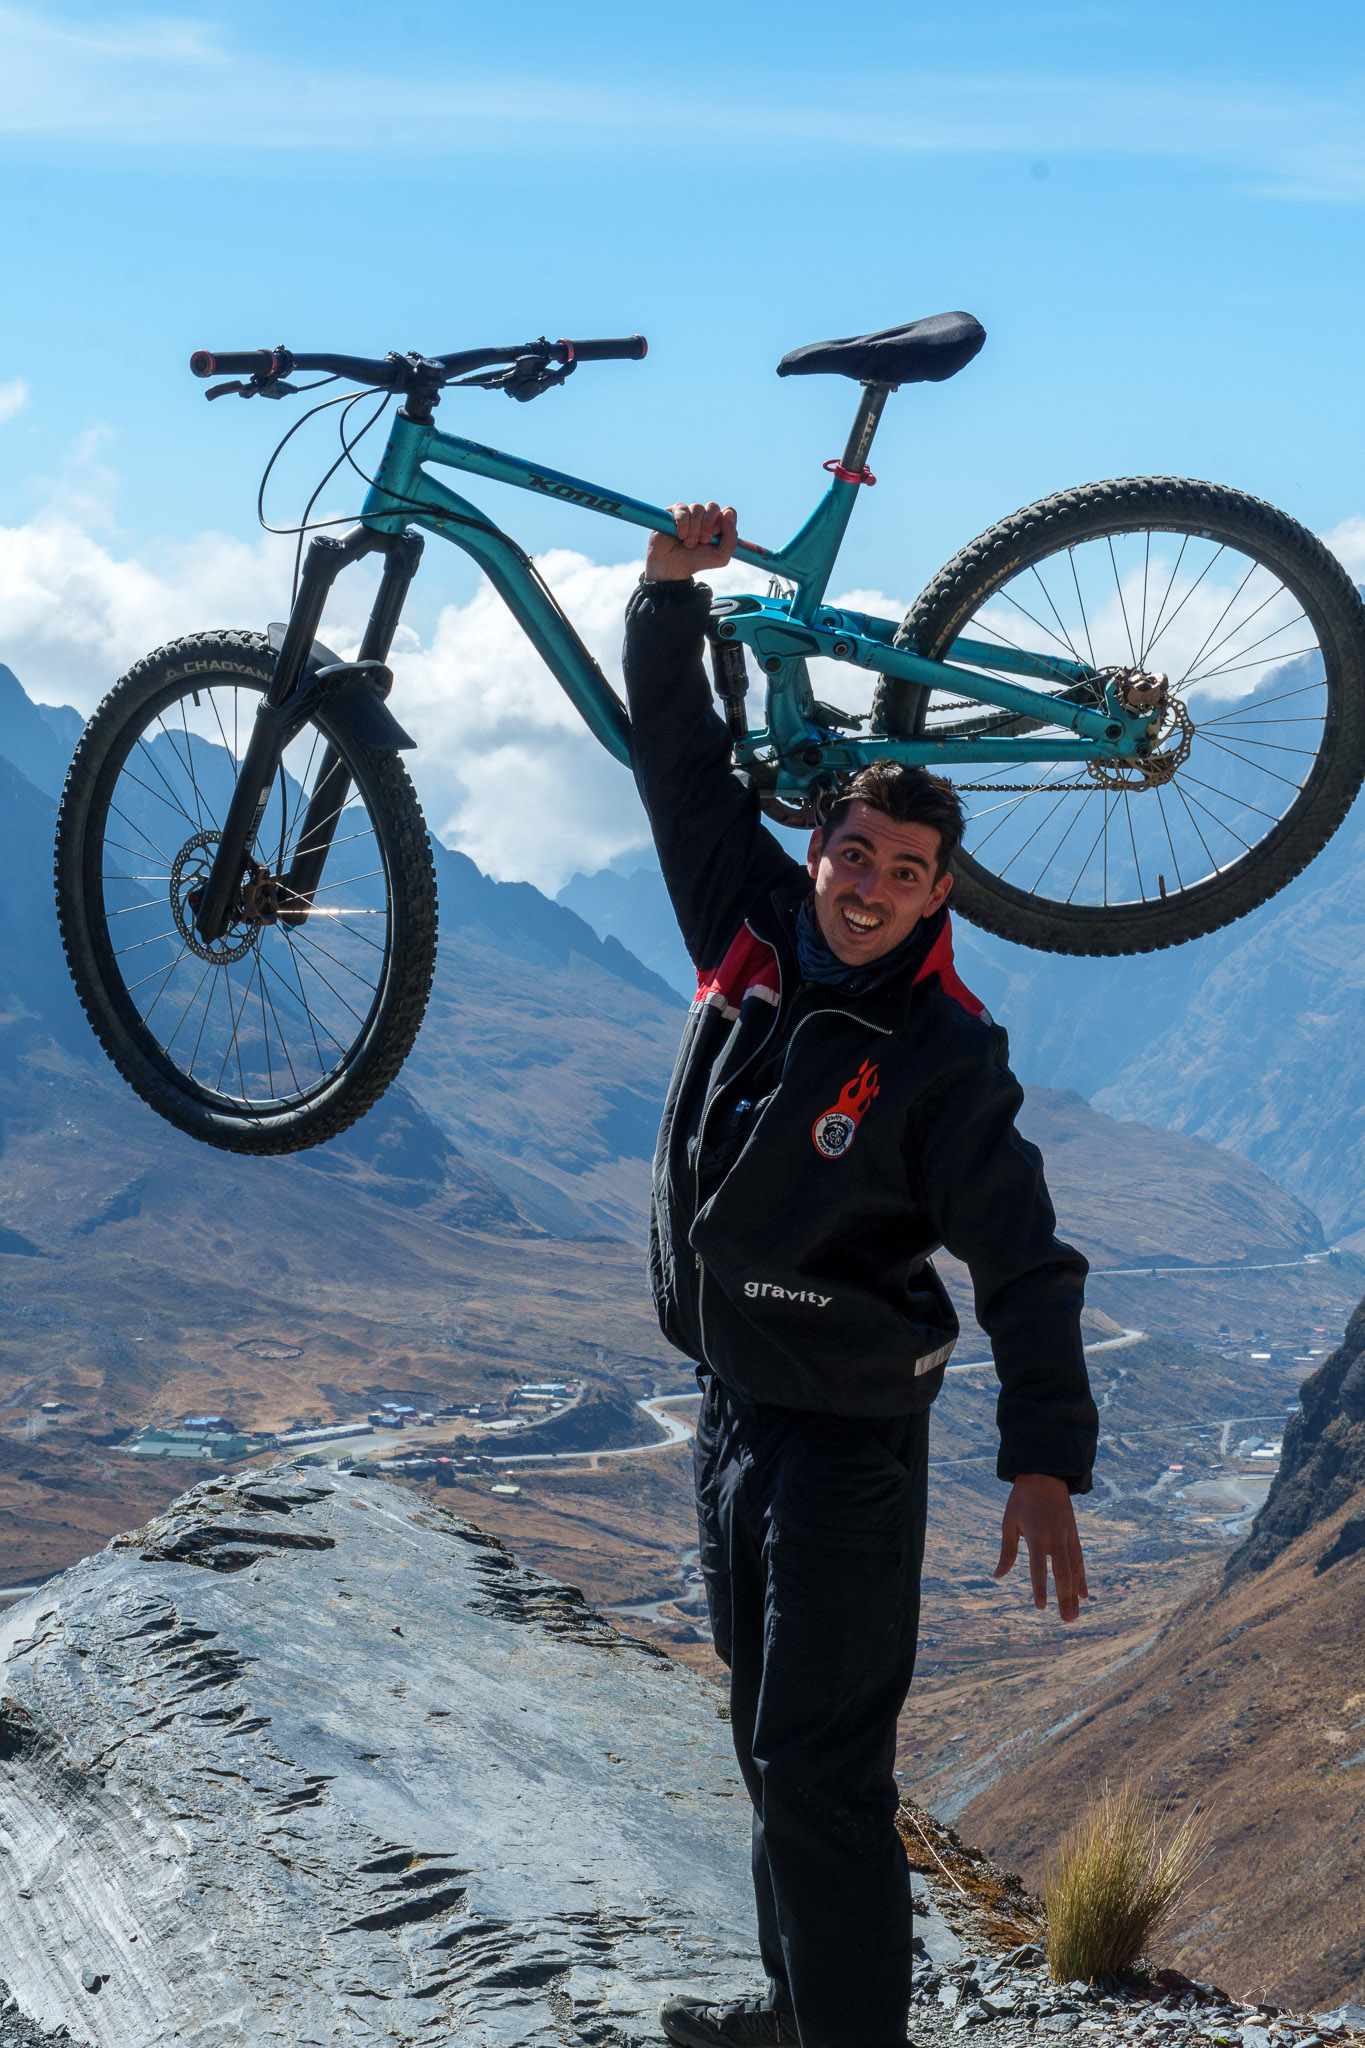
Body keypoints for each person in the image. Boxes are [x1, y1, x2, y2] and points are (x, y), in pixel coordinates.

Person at [622, 502, 1099, 2048]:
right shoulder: (749, 939)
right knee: (769, 1746)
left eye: (905, 868)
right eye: (852, 852)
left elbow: (1026, 1264)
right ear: (817, 852)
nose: (870, 883)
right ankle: (796, 2008)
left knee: (822, 1766)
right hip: (735, 1415)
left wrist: (1040, 1460)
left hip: (842, 1452)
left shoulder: (946, 1060)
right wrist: (665, 600)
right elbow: (683, 775)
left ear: (940, 892)